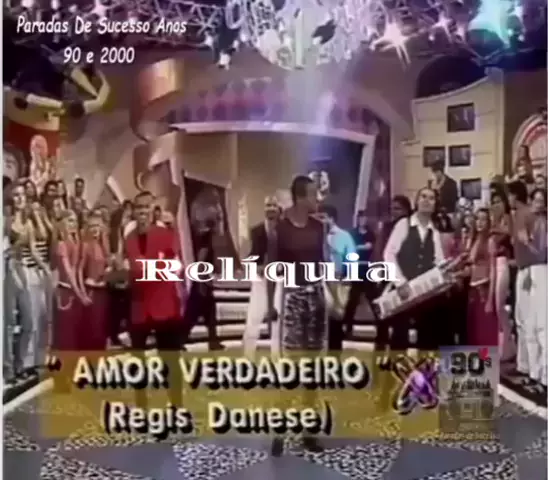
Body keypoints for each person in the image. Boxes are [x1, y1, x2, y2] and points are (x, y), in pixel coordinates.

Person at [267, 175, 326, 455]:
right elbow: (272, 268)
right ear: (300, 197)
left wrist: (333, 294)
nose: (318, 199)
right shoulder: (281, 229)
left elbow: (322, 262)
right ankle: (280, 429)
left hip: (316, 298)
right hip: (293, 299)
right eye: (314, 194)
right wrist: (270, 305)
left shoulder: (319, 227)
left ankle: (308, 432)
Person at [123, 191, 184, 407]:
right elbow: (131, 268)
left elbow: (175, 266)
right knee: (137, 360)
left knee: (170, 359)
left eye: (146, 207)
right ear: (133, 211)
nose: (142, 212)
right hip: (139, 305)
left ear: (152, 210)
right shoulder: (129, 238)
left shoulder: (165, 234)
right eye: (138, 208)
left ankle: (176, 403)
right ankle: (141, 404)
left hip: (164, 304)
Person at [383, 187, 447, 351]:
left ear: (435, 205)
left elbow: (438, 261)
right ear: (416, 202)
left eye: (431, 198)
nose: (426, 201)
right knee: (400, 338)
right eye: (423, 196)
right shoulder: (403, 225)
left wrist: (446, 273)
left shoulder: (434, 232)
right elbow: (389, 254)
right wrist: (400, 282)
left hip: (424, 292)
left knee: (427, 337)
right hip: (403, 290)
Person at [507, 180, 544, 391]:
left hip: (533, 270)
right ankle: (527, 367)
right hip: (525, 269)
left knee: (533, 323)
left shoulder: (527, 216)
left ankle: (537, 372)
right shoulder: (521, 215)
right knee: (523, 321)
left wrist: (528, 267)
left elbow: (535, 247)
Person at [242, 196, 281, 357]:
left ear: (278, 209)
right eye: (268, 205)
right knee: (254, 318)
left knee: (278, 321)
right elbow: (253, 255)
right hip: (261, 280)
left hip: (280, 280)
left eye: (274, 205)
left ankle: (277, 358)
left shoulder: (286, 230)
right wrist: (253, 267)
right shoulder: (256, 230)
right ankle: (248, 356)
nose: (271, 208)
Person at [320, 204, 356, 350]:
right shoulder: (313, 235)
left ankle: (334, 354)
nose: (320, 221)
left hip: (336, 281)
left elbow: (352, 258)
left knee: (335, 322)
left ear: (332, 218)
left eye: (323, 217)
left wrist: (349, 279)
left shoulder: (344, 236)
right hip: (317, 281)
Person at [489, 187, 515, 362]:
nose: (496, 205)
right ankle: (506, 345)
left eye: (499, 201)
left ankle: (507, 342)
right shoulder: (493, 220)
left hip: (504, 262)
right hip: (492, 263)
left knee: (499, 306)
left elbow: (509, 233)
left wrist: (495, 230)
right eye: (493, 202)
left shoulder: (507, 217)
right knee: (495, 306)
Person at [466, 209, 498, 346]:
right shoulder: (473, 239)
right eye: (477, 219)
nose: (479, 222)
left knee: (484, 330)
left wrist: (490, 298)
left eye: (483, 219)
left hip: (484, 288)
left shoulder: (490, 241)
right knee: (473, 330)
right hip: (472, 287)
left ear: (488, 222)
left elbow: (493, 270)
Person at [342, 210, 377, 338]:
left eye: (365, 218)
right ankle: (347, 326)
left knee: (373, 298)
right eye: (361, 218)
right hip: (356, 269)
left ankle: (380, 325)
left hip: (367, 269)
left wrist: (360, 247)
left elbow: (370, 247)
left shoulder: (371, 234)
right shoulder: (353, 233)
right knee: (353, 298)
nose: (363, 220)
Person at [79, 213, 111, 350]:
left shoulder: (103, 246)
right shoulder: (85, 246)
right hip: (91, 290)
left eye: (97, 225)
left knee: (102, 327)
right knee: (93, 328)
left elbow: (108, 264)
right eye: (92, 226)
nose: (95, 229)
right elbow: (79, 271)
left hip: (103, 290)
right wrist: (82, 294)